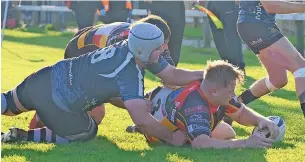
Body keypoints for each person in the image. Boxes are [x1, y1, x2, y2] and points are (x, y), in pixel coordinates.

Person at [1, 23, 203, 145]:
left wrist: (204, 75)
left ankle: (18, 130)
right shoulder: (129, 71)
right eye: (160, 47)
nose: (165, 50)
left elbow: (171, 74)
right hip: (58, 105)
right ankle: (24, 137)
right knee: (87, 131)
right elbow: (141, 120)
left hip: (44, 77)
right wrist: (170, 137)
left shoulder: (127, 46)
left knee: (7, 105)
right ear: (144, 50)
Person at [28, 14, 176, 129]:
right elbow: (113, 91)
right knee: (96, 115)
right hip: (78, 53)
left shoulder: (151, 40)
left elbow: (171, 77)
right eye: (161, 45)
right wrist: (142, 109)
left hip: (91, 40)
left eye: (165, 44)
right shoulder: (123, 44)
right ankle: (46, 115)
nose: (164, 49)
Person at [127, 60, 280, 148]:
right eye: (231, 91)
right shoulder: (196, 108)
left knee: (228, 132)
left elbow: (239, 113)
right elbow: (200, 143)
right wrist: (245, 143)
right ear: (214, 91)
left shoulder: (213, 89)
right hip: (156, 129)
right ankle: (140, 129)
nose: (233, 95)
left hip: (162, 100)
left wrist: (262, 120)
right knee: (204, 137)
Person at [235, 1, 305, 119]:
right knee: (300, 67)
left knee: (277, 79)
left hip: (249, 24)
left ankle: (231, 107)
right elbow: (270, 5)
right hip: (259, 24)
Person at [139, 1, 185, 66]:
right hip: (159, 6)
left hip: (177, 6)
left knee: (176, 40)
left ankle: (171, 68)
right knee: (158, 39)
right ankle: (160, 68)